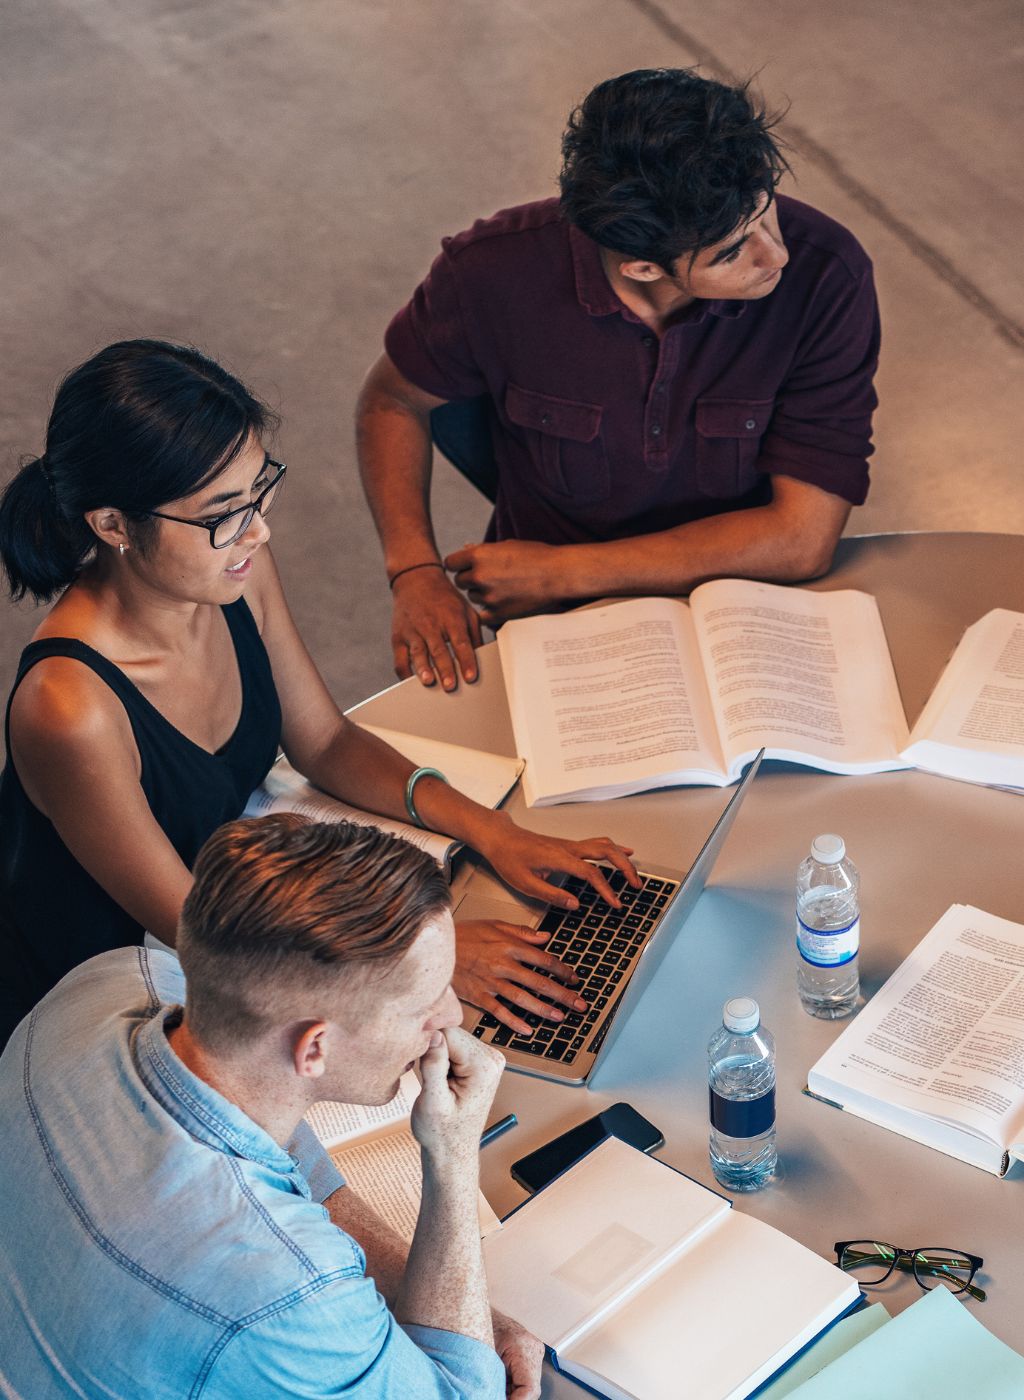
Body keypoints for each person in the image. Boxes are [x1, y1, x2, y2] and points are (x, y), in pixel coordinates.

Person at [0, 339, 638, 1044]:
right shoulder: (68, 709)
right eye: (223, 513)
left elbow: (325, 740)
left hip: (245, 900)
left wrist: (491, 830)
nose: (259, 529)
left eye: (257, 490)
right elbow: (196, 934)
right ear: (113, 524)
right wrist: (420, 955)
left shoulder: (233, 568)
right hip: (116, 993)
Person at [359, 67, 880, 690]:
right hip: (558, 629)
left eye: (766, 210)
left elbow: (800, 539)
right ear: (640, 267)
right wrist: (414, 571)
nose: (777, 253)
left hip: (744, 612)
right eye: (733, 250)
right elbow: (393, 400)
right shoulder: (488, 275)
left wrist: (564, 573)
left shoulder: (827, 276)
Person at [0, 816, 544, 1397]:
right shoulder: (284, 1290)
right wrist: (454, 1157)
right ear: (315, 1048)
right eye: (423, 1004)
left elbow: (290, 1156)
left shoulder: (117, 978)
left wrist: (451, 1307)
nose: (453, 1017)